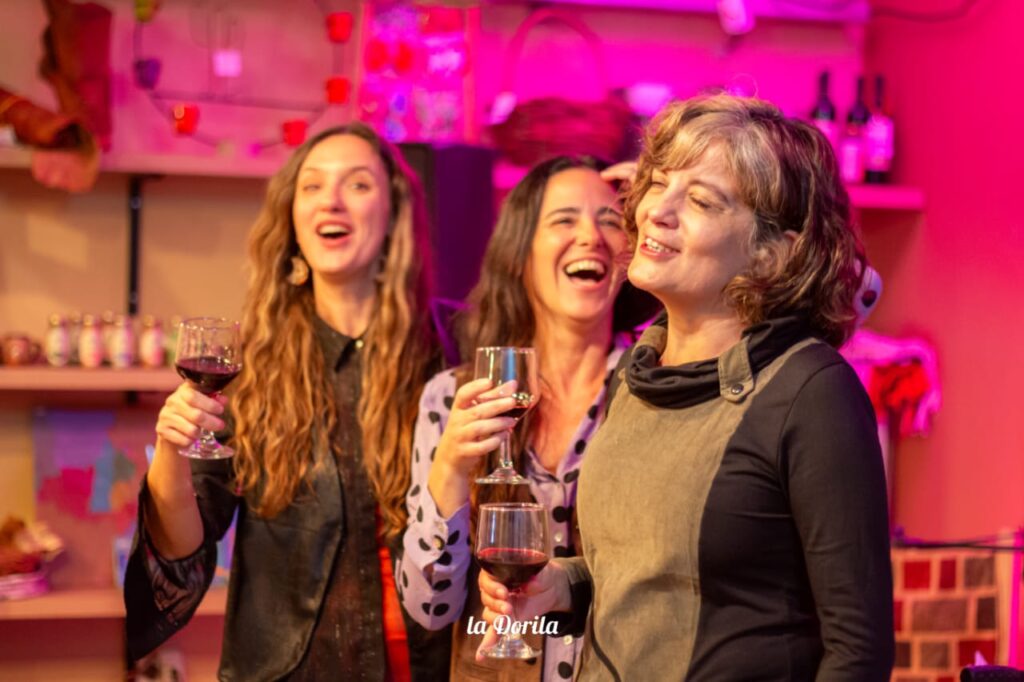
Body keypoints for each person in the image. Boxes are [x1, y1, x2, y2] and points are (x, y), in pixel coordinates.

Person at [478, 94, 895, 679]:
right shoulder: (637, 372)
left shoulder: (811, 391)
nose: (657, 211)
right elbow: (636, 574)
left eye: (700, 200)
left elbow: (858, 652)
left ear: (771, 254)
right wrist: (560, 586)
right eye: (659, 184)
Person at [123, 122, 451, 680]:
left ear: (394, 212)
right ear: (293, 216)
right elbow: (182, 552)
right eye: (313, 185)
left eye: (357, 184)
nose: (331, 201)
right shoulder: (248, 367)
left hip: (430, 666)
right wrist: (171, 450)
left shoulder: (450, 350)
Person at [395, 156, 659, 680]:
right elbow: (430, 608)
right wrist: (449, 469)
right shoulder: (454, 395)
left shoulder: (660, 387)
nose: (590, 236)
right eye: (564, 219)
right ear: (520, 254)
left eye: (610, 220)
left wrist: (660, 201)